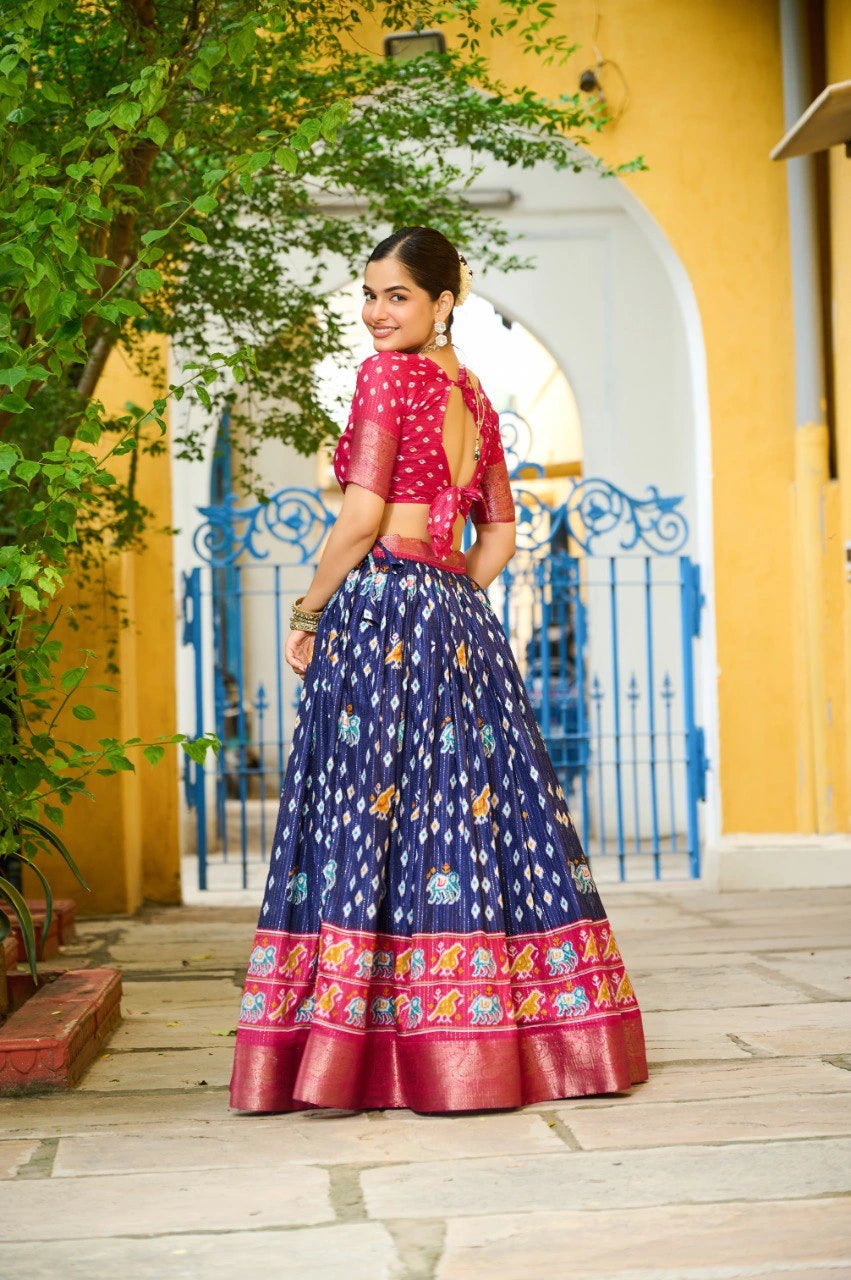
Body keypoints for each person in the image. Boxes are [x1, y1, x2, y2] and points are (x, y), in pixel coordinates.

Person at [229, 225, 648, 1112]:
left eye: (398, 296)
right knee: (466, 814)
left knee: (370, 815)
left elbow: (361, 517)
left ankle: (368, 1046)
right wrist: (446, 591)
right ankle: (508, 1036)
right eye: (370, 295)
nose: (378, 313)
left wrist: (310, 610)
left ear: (442, 302)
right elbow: (498, 532)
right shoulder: (474, 397)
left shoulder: (385, 378)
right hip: (458, 619)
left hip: (382, 614)